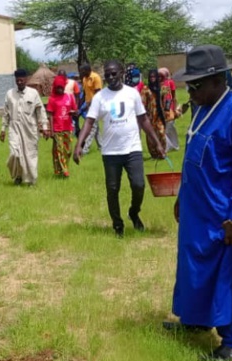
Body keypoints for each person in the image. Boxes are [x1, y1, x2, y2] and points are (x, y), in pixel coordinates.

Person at [165, 45, 232, 361]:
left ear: (218, 80)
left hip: (224, 217)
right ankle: (194, 321)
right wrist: (183, 195)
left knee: (224, 276)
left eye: (195, 85)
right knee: (194, 270)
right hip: (198, 211)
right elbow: (194, 159)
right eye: (187, 85)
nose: (189, 91)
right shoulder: (203, 108)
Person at [73, 60, 166, 237]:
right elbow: (90, 121)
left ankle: (134, 212)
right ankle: (117, 225)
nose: (110, 77)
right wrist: (79, 144)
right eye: (107, 75)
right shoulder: (100, 98)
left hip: (132, 149)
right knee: (112, 189)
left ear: (122, 73)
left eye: (114, 73)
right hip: (110, 152)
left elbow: (144, 119)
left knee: (139, 185)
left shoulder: (132, 94)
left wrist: (157, 143)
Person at [0, 69, 49, 185]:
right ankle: (17, 176)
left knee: (30, 155)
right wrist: (3, 129)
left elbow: (40, 111)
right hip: (14, 128)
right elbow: (5, 113)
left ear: (26, 79)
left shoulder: (33, 93)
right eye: (17, 79)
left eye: (22, 79)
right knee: (14, 154)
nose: (20, 81)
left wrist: (45, 127)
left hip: (30, 130)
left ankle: (31, 180)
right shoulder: (9, 94)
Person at [141, 69, 179, 159]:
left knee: (161, 133)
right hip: (150, 117)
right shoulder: (146, 90)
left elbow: (168, 99)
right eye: (151, 77)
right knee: (150, 136)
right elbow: (142, 103)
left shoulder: (162, 88)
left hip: (159, 116)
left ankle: (162, 153)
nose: (153, 78)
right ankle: (154, 155)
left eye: (155, 77)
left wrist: (168, 110)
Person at [46, 75, 77, 178]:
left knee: (68, 151)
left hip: (68, 127)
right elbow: (50, 115)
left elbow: (75, 110)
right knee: (60, 149)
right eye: (58, 88)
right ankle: (65, 170)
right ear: (55, 87)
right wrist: (51, 130)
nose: (60, 89)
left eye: (62, 87)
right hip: (57, 128)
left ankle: (61, 169)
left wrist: (73, 112)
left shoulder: (69, 97)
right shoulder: (52, 99)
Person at [79, 63, 103, 155]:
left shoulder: (95, 77)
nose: (81, 73)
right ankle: (101, 146)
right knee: (95, 128)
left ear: (87, 70)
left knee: (92, 127)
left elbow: (98, 93)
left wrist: (93, 105)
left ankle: (85, 149)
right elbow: (85, 93)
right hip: (88, 105)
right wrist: (83, 106)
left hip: (96, 105)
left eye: (82, 71)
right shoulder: (85, 79)